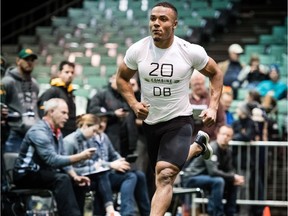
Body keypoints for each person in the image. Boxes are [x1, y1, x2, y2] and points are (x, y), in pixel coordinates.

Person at [116, 2, 223, 215]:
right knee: (161, 175)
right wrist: (134, 104)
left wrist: (213, 107)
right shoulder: (138, 50)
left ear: (174, 24)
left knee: (165, 174)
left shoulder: (189, 51)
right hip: (151, 123)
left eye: (162, 19)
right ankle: (198, 146)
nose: (156, 23)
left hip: (179, 121)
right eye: (153, 18)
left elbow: (216, 73)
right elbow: (122, 79)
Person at [13, 98, 97, 216]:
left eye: (67, 113)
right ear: (51, 112)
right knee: (61, 179)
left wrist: (75, 176)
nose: (67, 117)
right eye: (63, 113)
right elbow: (52, 160)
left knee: (77, 182)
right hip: (25, 174)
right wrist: (81, 156)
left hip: (43, 172)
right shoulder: (38, 132)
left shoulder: (57, 132)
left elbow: (62, 157)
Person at [64, 111, 151, 216]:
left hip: (100, 171)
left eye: (105, 121)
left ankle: (148, 213)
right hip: (92, 173)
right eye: (101, 122)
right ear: (87, 126)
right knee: (126, 176)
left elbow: (112, 154)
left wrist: (120, 161)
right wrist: (110, 165)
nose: (103, 125)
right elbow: (90, 162)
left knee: (139, 174)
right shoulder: (77, 140)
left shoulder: (103, 137)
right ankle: (124, 212)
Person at [182, 125, 245, 216]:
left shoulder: (227, 151)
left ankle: (230, 212)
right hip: (191, 177)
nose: (225, 137)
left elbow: (230, 170)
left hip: (207, 178)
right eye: (223, 134)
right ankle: (216, 213)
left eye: (228, 135)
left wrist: (234, 178)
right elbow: (213, 172)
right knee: (218, 181)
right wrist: (232, 176)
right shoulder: (212, 148)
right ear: (218, 134)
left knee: (232, 182)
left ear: (231, 137)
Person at [88, 74, 139, 157]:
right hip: (110, 138)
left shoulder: (127, 95)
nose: (120, 82)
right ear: (111, 79)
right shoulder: (102, 94)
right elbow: (93, 110)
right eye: (117, 79)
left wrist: (136, 91)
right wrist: (113, 114)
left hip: (128, 142)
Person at [0, 48, 40, 153]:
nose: (29, 62)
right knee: (12, 165)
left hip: (32, 134)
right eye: (26, 59)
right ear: (18, 61)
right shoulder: (7, 82)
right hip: (14, 133)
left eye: (32, 60)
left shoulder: (35, 84)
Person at [38, 60, 77, 137]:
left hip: (69, 131)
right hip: (56, 133)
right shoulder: (53, 91)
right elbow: (43, 112)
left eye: (72, 72)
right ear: (59, 73)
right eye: (67, 72)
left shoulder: (70, 92)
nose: (70, 75)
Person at [189, 70, 226, 141]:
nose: (198, 87)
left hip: (210, 139)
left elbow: (221, 121)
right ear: (191, 84)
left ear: (204, 83)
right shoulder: (186, 100)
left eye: (200, 84)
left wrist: (215, 136)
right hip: (189, 139)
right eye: (196, 84)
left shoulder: (213, 100)